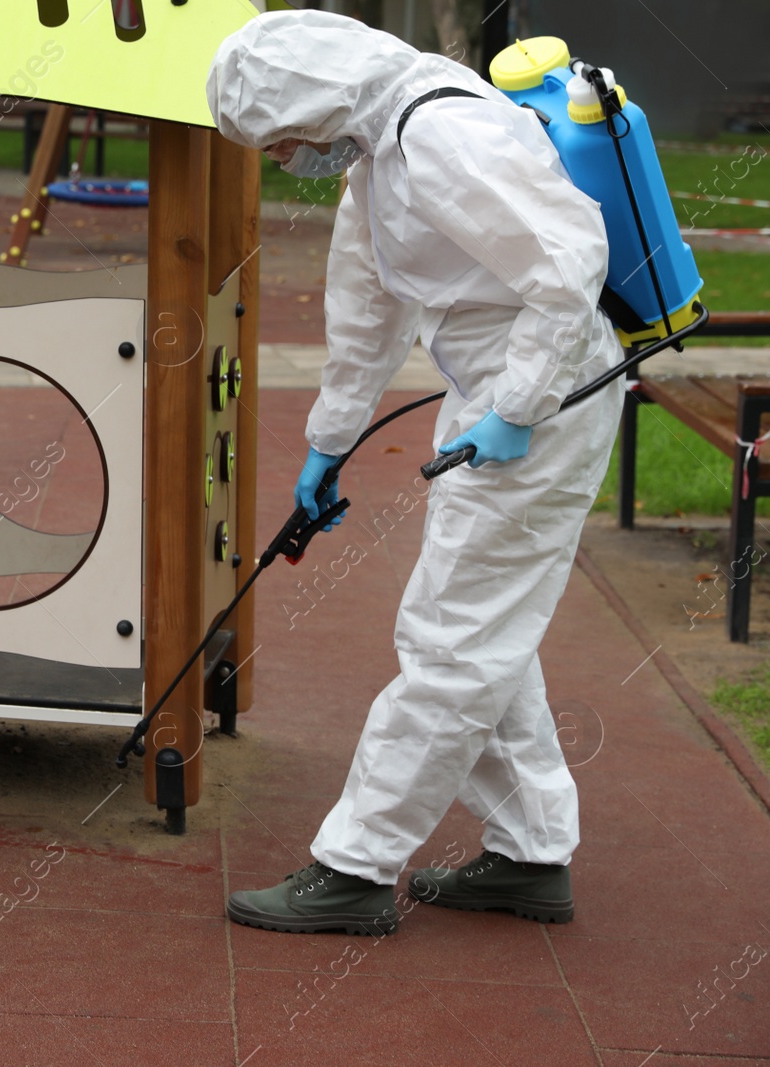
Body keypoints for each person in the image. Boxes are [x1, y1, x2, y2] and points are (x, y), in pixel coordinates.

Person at [206, 9, 622, 934]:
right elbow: (367, 309)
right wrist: (330, 438)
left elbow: (569, 258)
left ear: (308, 100)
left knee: (451, 639)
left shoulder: (439, 131)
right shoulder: (381, 149)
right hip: (498, 389)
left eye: (278, 141)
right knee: (479, 632)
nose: (281, 161)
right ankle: (530, 852)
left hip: (543, 397)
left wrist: (518, 409)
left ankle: (354, 867)